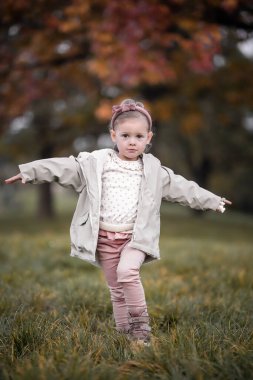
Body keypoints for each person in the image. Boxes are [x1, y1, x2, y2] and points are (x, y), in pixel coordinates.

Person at [5, 99, 232, 346]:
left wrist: (212, 201)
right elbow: (62, 166)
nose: (132, 141)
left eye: (138, 136)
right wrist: (30, 171)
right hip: (104, 238)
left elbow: (185, 189)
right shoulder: (96, 164)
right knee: (116, 290)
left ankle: (141, 331)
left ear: (148, 138)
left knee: (127, 272)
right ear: (114, 135)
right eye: (125, 135)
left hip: (135, 239)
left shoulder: (155, 172)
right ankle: (124, 335)